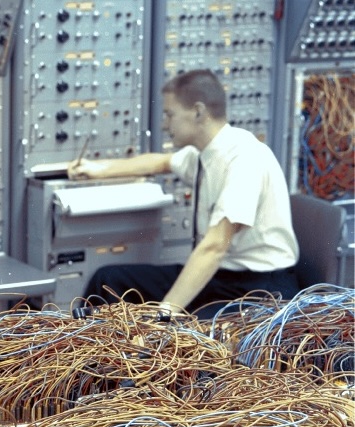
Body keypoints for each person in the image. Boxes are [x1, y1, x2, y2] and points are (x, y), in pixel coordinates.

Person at [69, 69, 299, 316]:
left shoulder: (245, 158)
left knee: (184, 337)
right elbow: (161, 162)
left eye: (170, 115)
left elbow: (215, 246)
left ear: (198, 112)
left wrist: (166, 311)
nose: (164, 124)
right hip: (222, 276)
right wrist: (97, 170)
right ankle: (88, 349)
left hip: (260, 289)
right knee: (109, 280)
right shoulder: (206, 153)